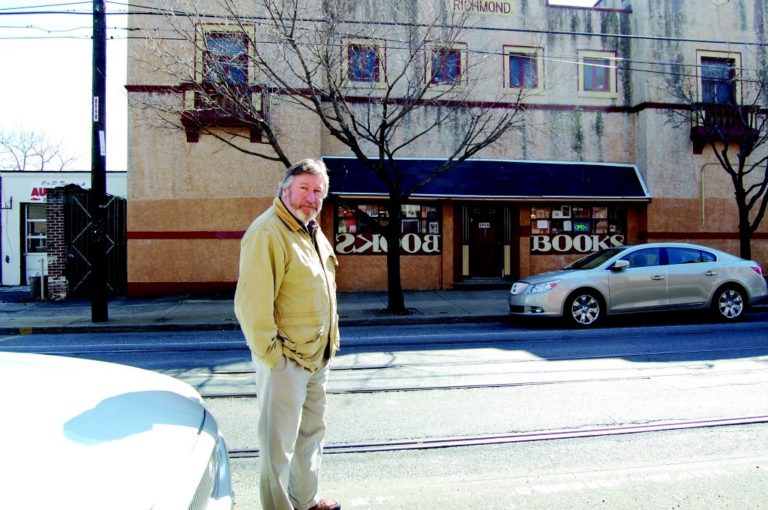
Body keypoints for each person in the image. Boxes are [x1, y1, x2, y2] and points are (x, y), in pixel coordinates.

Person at [234, 159, 341, 510]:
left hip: (317, 356)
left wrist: (330, 343)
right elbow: (252, 305)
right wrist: (273, 358)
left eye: (318, 191)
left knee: (311, 436)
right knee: (278, 447)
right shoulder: (268, 232)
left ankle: (305, 501)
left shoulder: (312, 230)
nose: (311, 197)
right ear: (285, 190)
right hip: (286, 361)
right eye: (304, 188)